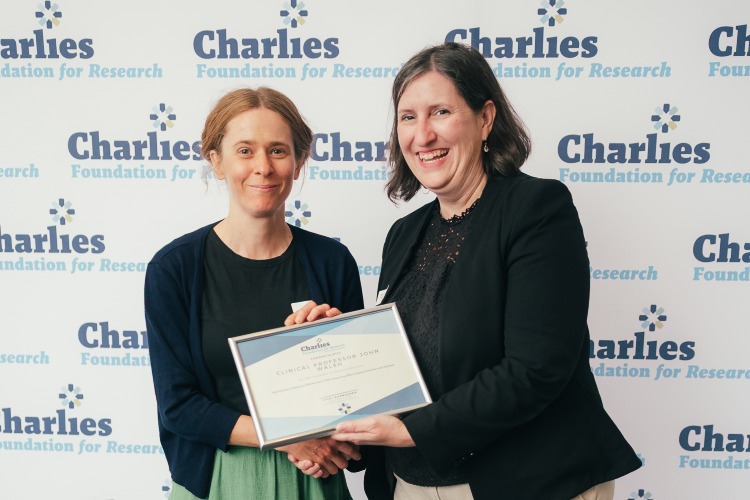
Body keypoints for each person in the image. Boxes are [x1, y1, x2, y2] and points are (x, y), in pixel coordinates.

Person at [291, 42, 642, 499]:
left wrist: (413, 431)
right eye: (408, 117)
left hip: (529, 481)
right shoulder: (404, 233)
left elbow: (536, 368)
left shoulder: (535, 209)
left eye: (440, 112)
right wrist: (335, 351)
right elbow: (406, 365)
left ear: (485, 118)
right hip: (413, 483)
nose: (422, 135)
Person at [144, 87, 364, 500]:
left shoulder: (332, 262)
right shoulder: (174, 268)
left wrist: (340, 348)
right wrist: (286, 435)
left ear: (298, 162)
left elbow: (361, 402)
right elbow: (178, 406)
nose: (263, 167)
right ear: (216, 161)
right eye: (245, 151)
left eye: (278, 150)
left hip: (314, 476)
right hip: (220, 477)